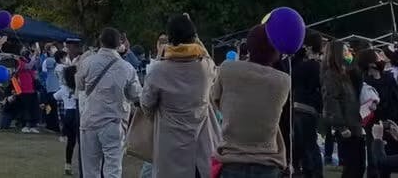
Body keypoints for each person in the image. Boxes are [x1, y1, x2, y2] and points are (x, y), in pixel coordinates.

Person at [139, 14, 219, 178]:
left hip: (169, 150)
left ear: (170, 39)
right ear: (193, 38)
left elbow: (146, 104)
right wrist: (196, 39)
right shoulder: (205, 68)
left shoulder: (158, 71)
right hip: (199, 150)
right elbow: (210, 61)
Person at [212, 23, 291, 178]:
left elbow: (215, 99)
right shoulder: (283, 81)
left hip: (232, 159)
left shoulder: (228, 70)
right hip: (268, 163)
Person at [75, 27, 142, 178]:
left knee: (90, 170)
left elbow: (79, 85)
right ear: (119, 44)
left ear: (100, 41)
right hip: (114, 122)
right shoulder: (127, 68)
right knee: (113, 169)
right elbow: (136, 94)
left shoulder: (87, 62)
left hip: (90, 120)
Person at [321, 39, 364, 178]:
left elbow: (358, 82)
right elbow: (331, 101)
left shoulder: (346, 73)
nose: (348, 53)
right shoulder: (331, 75)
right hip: (346, 126)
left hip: (355, 123)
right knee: (350, 166)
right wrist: (341, 126)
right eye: (345, 51)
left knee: (359, 164)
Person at [291, 31, 325, 178]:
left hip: (298, 106)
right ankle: (312, 172)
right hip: (311, 109)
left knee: (302, 145)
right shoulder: (318, 66)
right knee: (310, 145)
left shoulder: (300, 66)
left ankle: (306, 172)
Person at [58, 65, 79, 174]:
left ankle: (68, 165)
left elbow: (55, 97)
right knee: (82, 142)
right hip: (77, 115)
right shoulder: (80, 88)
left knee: (70, 142)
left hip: (67, 116)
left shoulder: (64, 89)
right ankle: (82, 166)